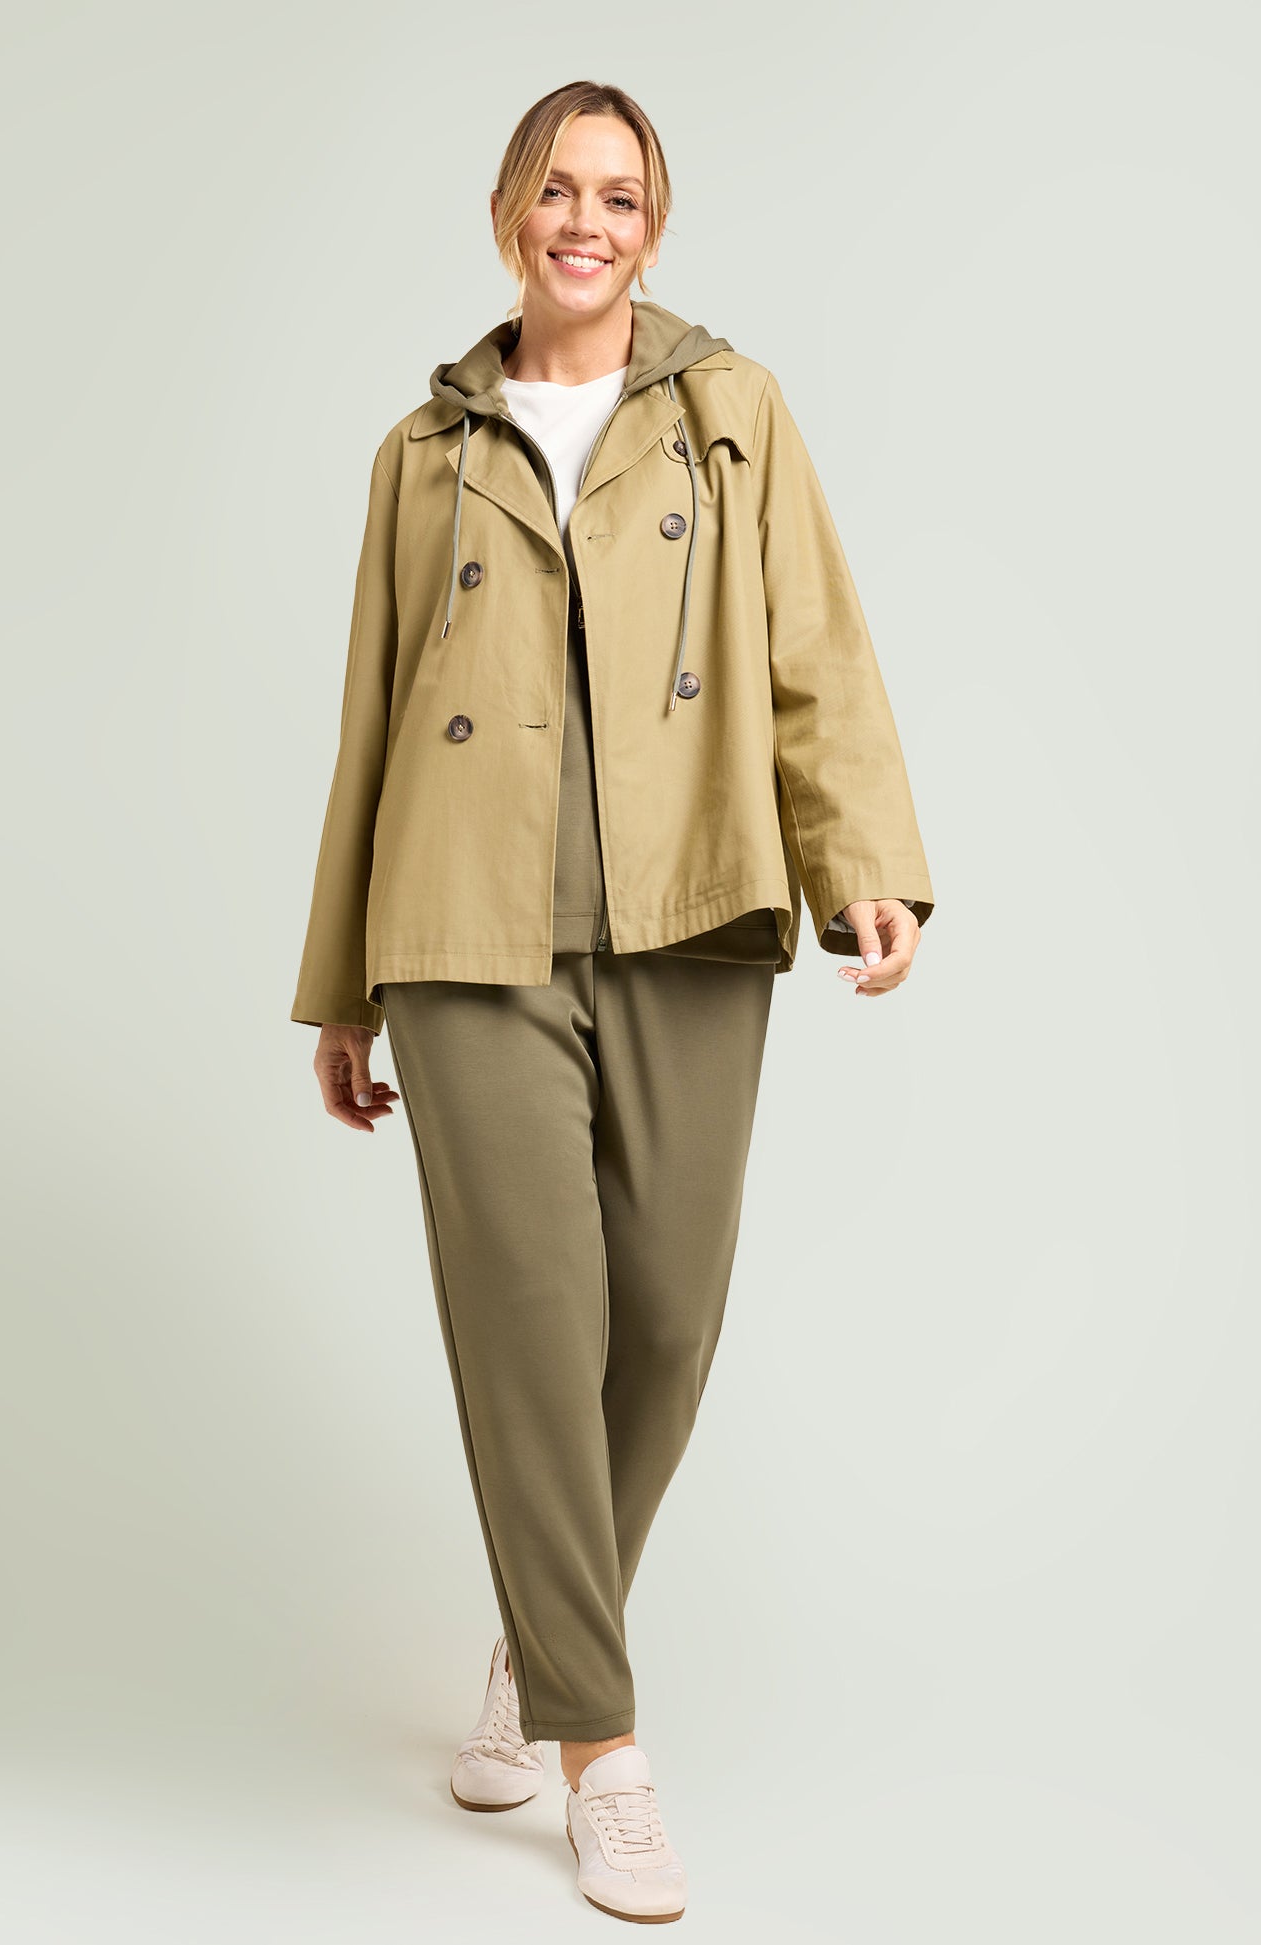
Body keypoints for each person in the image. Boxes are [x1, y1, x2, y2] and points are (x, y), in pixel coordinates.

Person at [290, 78, 935, 1926]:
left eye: (620, 196)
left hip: (691, 907)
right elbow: (371, 719)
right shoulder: (424, 451)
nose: (586, 222)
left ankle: (538, 1639)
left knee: (662, 1315)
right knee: (526, 1326)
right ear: (511, 211)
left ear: (654, 227)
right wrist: (342, 986)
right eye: (558, 190)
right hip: (461, 929)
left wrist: (863, 859)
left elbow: (814, 645)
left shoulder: (731, 410)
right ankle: (604, 1750)